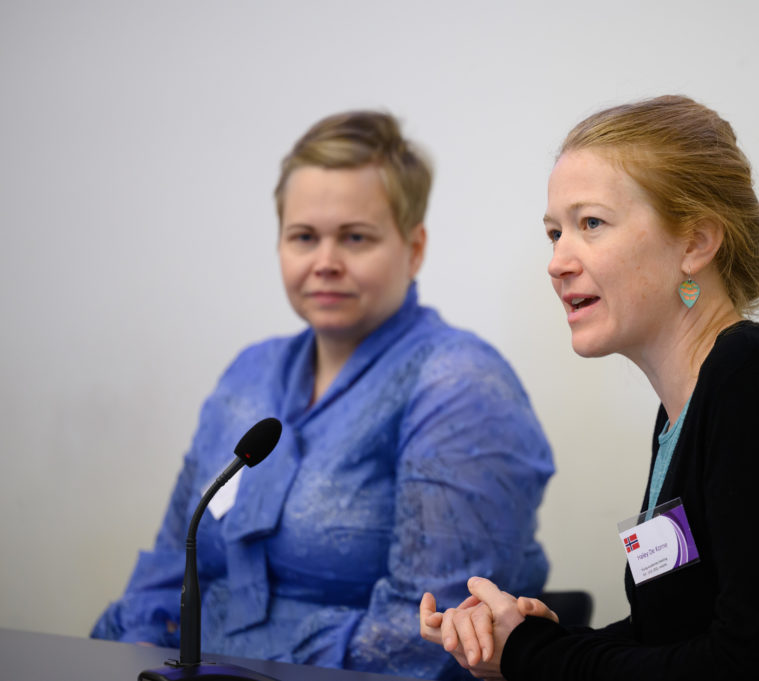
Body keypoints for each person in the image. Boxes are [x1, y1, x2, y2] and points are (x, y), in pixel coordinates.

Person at [419, 95, 759, 680]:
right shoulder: (683, 412)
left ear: (695, 243)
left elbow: (750, 666)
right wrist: (532, 637)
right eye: (554, 232)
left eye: (591, 224)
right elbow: (679, 634)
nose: (558, 260)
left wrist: (534, 656)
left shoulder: (754, 384)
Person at [92, 110, 554, 680]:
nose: (325, 263)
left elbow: (428, 634)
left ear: (414, 248)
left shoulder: (461, 388)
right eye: (304, 237)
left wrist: (237, 670)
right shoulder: (249, 373)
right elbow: (167, 568)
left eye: (355, 237)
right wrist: (129, 660)